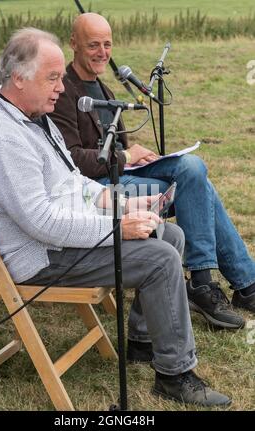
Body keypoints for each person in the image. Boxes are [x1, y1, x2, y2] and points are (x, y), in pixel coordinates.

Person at [0, 28, 231, 407]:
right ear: (19, 79)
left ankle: (142, 342)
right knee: (160, 257)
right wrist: (118, 227)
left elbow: (72, 182)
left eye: (59, 77)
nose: (61, 87)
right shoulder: (2, 136)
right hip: (42, 257)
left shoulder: (32, 116)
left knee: (168, 236)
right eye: (52, 78)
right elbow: (40, 222)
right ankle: (175, 375)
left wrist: (122, 203)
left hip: (61, 239)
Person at [49, 13, 255, 337]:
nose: (102, 52)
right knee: (197, 183)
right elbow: (72, 160)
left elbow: (115, 142)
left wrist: (141, 156)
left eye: (107, 44)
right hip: (98, 188)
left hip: (124, 171)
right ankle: (224, 283)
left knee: (192, 170)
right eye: (93, 45)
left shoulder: (100, 83)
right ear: (73, 43)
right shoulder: (65, 91)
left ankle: (230, 283)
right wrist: (127, 155)